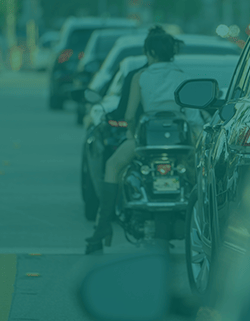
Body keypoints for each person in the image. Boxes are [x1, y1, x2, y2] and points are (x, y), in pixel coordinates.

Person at [85, 26, 202, 252]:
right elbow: (194, 116)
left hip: (147, 143)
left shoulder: (140, 76)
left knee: (113, 166)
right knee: (200, 175)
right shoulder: (183, 77)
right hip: (179, 145)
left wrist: (131, 134)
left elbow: (129, 115)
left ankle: (102, 229)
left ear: (149, 52)